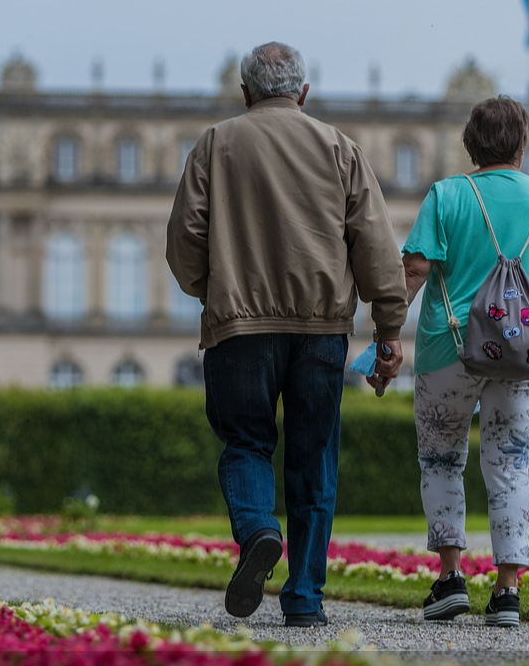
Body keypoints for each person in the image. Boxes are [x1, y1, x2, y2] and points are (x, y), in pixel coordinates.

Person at [167, 41, 408, 628]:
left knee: (245, 443)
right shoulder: (339, 147)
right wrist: (388, 330)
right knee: (313, 457)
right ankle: (303, 598)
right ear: (303, 92)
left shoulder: (216, 144)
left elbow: (184, 241)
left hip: (239, 328)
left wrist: (214, 290)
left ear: (245, 92)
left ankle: (257, 530)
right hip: (321, 329)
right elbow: (377, 247)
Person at [377, 95, 529, 628]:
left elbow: (414, 271)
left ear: (470, 145)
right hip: (521, 355)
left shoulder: (447, 195)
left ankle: (450, 580)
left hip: (449, 349)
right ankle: (507, 592)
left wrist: (387, 333)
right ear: (522, 145)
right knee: (509, 465)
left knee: (441, 461)